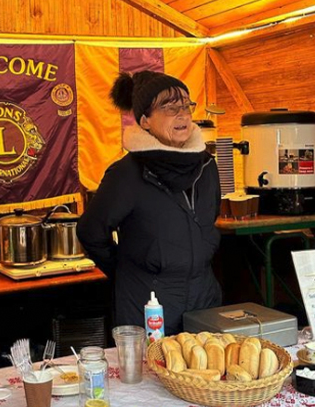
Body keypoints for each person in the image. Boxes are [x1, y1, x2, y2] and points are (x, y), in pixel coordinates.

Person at [77, 70, 222, 335]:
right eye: (169, 107)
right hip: (148, 304)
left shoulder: (207, 166)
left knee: (204, 374)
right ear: (145, 120)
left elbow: (209, 217)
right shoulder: (127, 174)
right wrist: (127, 269)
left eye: (186, 105)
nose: (182, 114)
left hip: (204, 299)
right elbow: (90, 231)